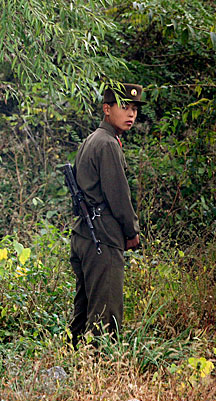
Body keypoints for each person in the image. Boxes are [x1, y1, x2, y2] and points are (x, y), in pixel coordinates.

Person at [68, 83, 144, 349]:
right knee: (106, 313)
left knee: (85, 309)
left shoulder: (92, 140)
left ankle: (72, 364)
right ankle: (101, 370)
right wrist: (131, 231)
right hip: (102, 236)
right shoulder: (108, 144)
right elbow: (118, 195)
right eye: (125, 107)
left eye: (134, 109)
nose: (131, 114)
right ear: (107, 109)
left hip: (84, 235)